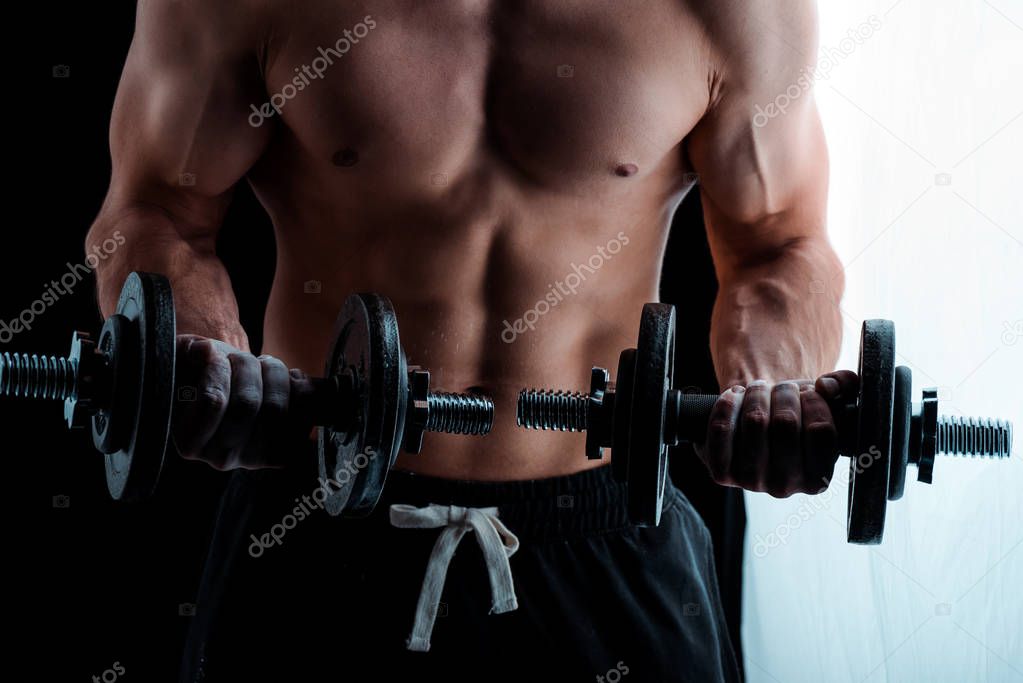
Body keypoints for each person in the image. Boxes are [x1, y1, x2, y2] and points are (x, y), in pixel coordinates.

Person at [87, 1, 849, 680]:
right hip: (319, 531)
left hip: (607, 534)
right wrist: (202, 351)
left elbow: (776, 243)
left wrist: (766, 389)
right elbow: (157, 210)